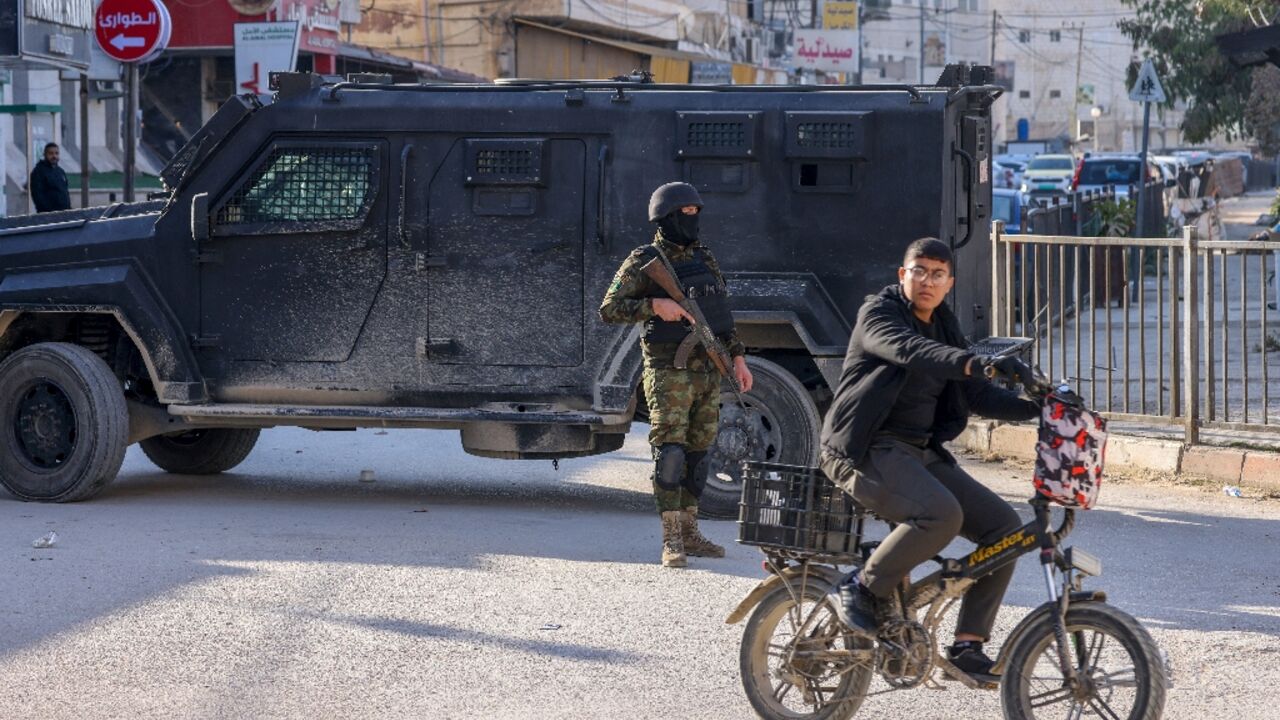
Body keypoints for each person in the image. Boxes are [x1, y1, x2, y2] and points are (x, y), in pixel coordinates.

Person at [818, 237, 1039, 684]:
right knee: (941, 515)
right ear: (903, 275)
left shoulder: (944, 324)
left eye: (938, 274)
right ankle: (860, 586)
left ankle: (968, 646)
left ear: (949, 283)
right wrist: (976, 363)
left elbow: (974, 393)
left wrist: (1041, 405)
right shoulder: (878, 315)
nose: (927, 281)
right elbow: (909, 350)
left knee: (1006, 530)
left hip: (918, 453)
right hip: (864, 450)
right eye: (919, 271)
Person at [599, 182, 754, 568]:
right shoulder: (645, 260)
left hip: (707, 368)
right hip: (669, 370)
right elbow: (609, 309)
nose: (693, 219)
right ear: (666, 217)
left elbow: (720, 312)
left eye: (696, 212)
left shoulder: (703, 256)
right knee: (670, 452)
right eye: (685, 213)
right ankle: (671, 539)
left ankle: (690, 530)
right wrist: (656, 304)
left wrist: (737, 357)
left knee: (700, 455)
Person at [30, 142, 71, 213]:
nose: (54, 156)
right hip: (48, 215)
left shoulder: (60, 171)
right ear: (44, 155)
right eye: (51, 153)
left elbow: (65, 192)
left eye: (56, 153)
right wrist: (47, 211)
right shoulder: (39, 171)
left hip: (64, 213)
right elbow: (37, 195)